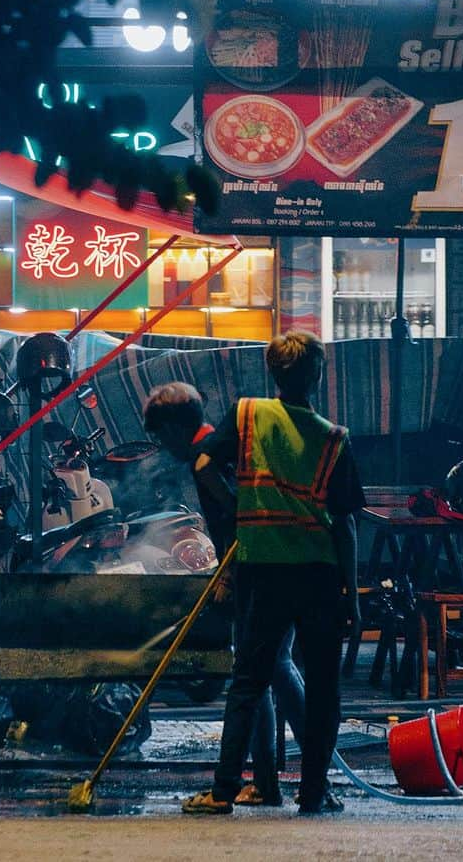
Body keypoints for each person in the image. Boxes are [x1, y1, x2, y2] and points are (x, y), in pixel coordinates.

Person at [151, 330, 366, 816]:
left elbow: (205, 463)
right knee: (324, 689)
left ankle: (222, 792)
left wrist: (239, 509)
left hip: (263, 568)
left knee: (248, 680)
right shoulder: (334, 438)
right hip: (318, 573)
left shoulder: (248, 414)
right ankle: (313, 793)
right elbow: (347, 524)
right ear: (316, 376)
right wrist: (351, 593)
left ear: (273, 372)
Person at [143, 380, 304, 808]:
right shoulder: (220, 445)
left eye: (159, 436)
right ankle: (268, 782)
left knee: (271, 672)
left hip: (261, 572)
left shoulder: (205, 462)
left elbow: (239, 520)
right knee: (266, 674)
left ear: (176, 429)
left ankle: (313, 768)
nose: (160, 446)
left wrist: (228, 576)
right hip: (279, 564)